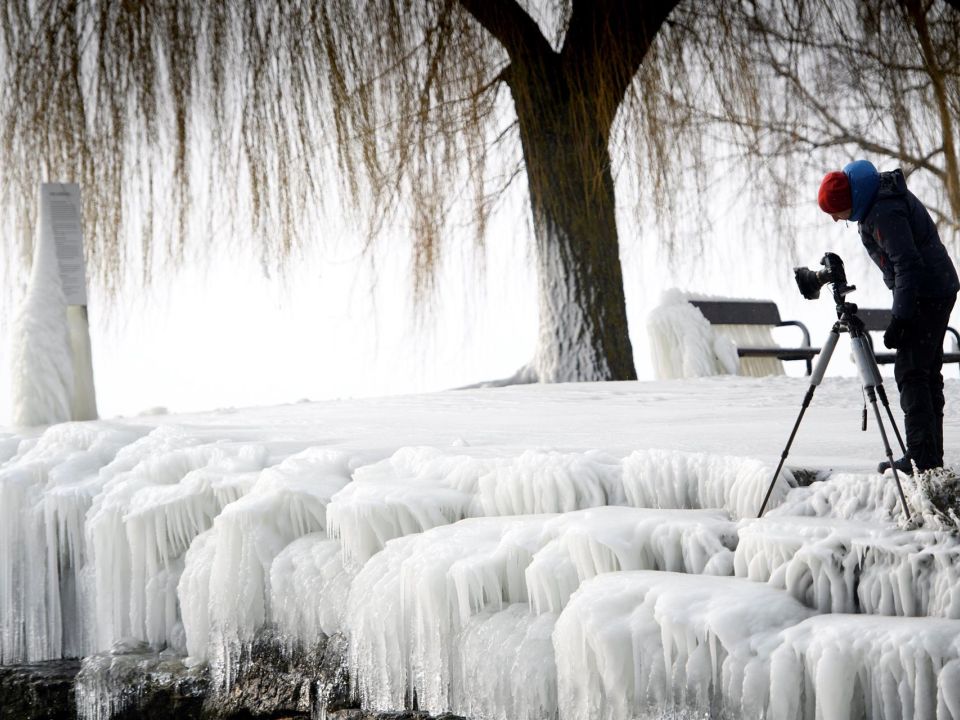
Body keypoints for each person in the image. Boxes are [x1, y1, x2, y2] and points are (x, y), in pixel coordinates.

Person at [818, 159, 959, 473]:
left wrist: (902, 318)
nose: (835, 219)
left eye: (834, 213)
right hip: (935, 288)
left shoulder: (883, 211)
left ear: (846, 203)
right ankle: (929, 458)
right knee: (924, 372)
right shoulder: (877, 200)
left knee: (911, 373)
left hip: (928, 293)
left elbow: (907, 264)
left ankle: (921, 460)